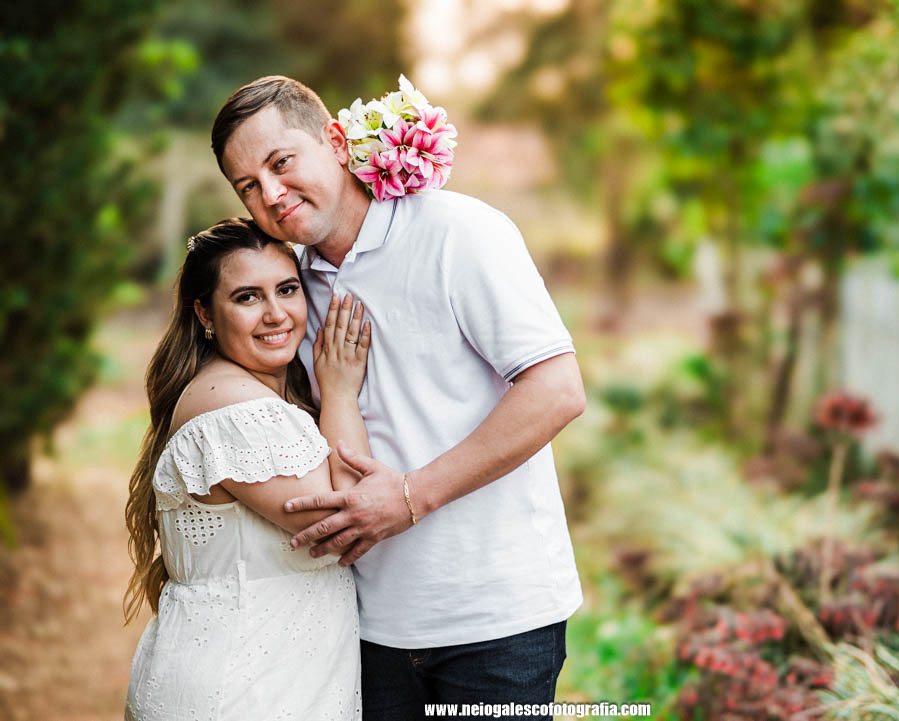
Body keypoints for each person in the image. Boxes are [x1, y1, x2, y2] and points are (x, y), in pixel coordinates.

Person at [211, 76, 587, 720]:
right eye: (247, 185)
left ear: (336, 141)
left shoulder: (457, 232)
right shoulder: (290, 287)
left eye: (281, 163)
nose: (270, 194)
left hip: (494, 621)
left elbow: (557, 390)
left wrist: (412, 496)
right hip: (366, 626)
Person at [123, 217, 373, 720]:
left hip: (267, 678)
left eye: (287, 289)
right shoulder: (233, 406)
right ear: (205, 313)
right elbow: (343, 520)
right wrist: (341, 392)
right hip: (245, 691)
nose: (275, 314)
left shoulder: (247, 394)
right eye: (247, 297)